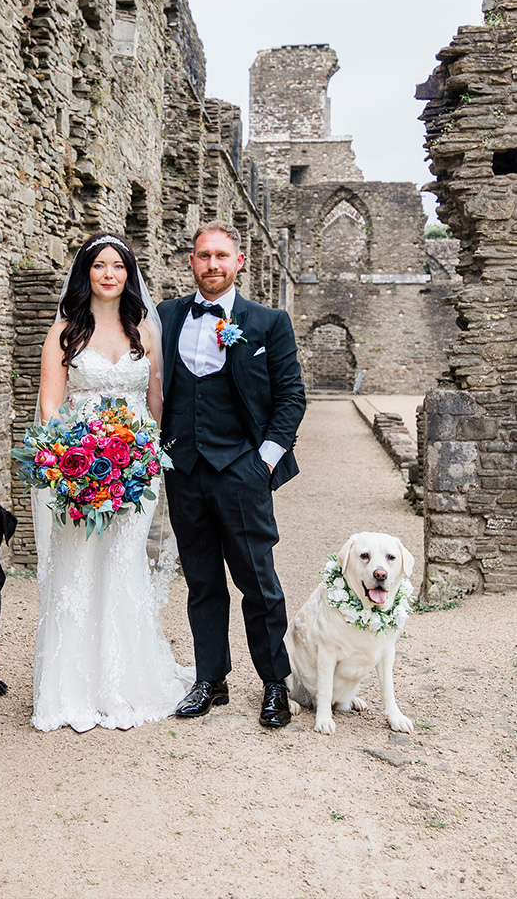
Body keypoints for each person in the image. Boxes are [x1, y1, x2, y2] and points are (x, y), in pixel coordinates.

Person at [32, 232, 192, 732]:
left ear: (129, 273)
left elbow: (155, 396)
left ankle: (125, 683)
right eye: (99, 265)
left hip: (136, 467)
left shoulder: (144, 329)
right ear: (86, 273)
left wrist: (150, 452)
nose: (108, 274)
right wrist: (67, 460)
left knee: (124, 564)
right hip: (78, 466)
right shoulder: (64, 331)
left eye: (117, 266)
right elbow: (50, 404)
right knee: (78, 567)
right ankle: (72, 689)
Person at [158, 219, 306, 728]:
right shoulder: (167, 316)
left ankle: (273, 685)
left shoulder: (268, 322)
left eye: (222, 256)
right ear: (192, 261)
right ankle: (210, 679)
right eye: (203, 256)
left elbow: (290, 396)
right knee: (201, 582)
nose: (212, 265)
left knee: (258, 582)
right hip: (185, 471)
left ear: (238, 261)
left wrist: (262, 460)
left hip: (242, 470)